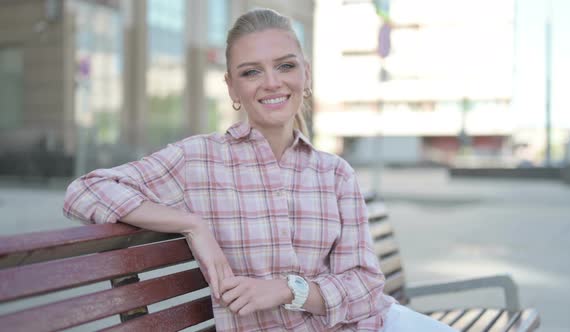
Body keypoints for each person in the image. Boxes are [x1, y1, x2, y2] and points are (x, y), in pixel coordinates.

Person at [64, 8, 455, 332]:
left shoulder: (335, 174)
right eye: (251, 72)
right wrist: (191, 225)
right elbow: (85, 191)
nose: (272, 83)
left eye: (285, 66)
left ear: (306, 74)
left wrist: (288, 290)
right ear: (232, 88)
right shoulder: (197, 159)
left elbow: (366, 287)